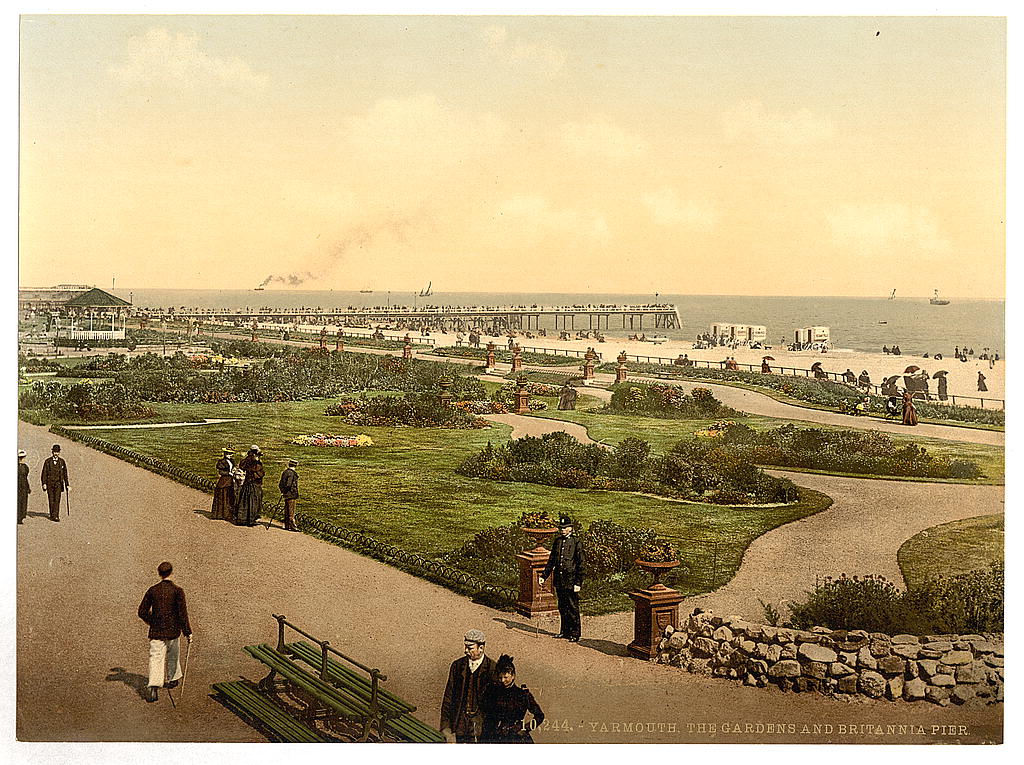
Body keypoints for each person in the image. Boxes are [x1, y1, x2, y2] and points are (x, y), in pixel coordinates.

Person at [137, 561, 192, 703]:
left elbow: (141, 611)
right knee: (173, 655)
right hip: (173, 631)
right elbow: (182, 614)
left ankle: (154, 687)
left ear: (159, 574)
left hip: (156, 632)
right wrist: (188, 632)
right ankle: (172, 679)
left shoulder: (152, 590)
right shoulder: (177, 591)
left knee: (155, 658)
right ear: (171, 573)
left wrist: (152, 621)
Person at [440, 629, 496, 743]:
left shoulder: (493, 669)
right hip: (458, 725)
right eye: (465, 647)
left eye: (470, 648)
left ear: (481, 648)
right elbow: (448, 698)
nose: (465, 651)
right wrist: (446, 728)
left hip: (481, 729)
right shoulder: (457, 666)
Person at [480, 654, 545, 743]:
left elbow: (540, 716)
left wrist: (525, 729)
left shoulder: (522, 694)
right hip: (492, 737)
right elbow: (482, 711)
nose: (502, 681)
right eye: (500, 677)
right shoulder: (491, 691)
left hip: (515, 739)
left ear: (513, 675)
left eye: (506, 677)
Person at [539, 515, 583, 642]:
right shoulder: (558, 542)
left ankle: (575, 633)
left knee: (572, 607)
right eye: (561, 528)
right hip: (559, 580)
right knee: (562, 606)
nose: (562, 530)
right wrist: (544, 576)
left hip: (571, 581)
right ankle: (564, 631)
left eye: (565, 528)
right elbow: (551, 560)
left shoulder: (576, 542)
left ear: (570, 528)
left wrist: (578, 582)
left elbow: (581, 564)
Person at [235, 445, 265, 526]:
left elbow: (243, 466)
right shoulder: (255, 463)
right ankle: (251, 519)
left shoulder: (247, 460)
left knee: (245, 500)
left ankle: (243, 519)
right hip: (253, 484)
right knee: (253, 501)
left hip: (247, 483)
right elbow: (259, 473)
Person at [40, 444, 69, 522]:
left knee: (57, 499)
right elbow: (44, 473)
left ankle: (55, 515)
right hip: (50, 483)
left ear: (59, 453)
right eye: (54, 452)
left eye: (57, 452)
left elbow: (65, 474)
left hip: (58, 483)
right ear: (52, 452)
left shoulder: (62, 462)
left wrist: (67, 485)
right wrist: (44, 483)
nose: (56, 454)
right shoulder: (47, 461)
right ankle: (52, 513)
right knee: (51, 499)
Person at [212, 448, 236, 521]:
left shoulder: (232, 461)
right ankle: (220, 514)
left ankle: (228, 514)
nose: (229, 455)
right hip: (224, 481)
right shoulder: (222, 462)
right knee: (223, 496)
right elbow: (220, 472)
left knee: (229, 497)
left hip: (230, 481)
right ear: (224, 454)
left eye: (230, 454)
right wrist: (228, 473)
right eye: (227, 453)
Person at [278, 459, 299, 532]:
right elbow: (289, 484)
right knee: (291, 511)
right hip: (291, 494)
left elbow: (280, 484)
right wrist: (287, 490)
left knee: (286, 510)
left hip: (286, 494)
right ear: (295, 465)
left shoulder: (285, 472)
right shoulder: (292, 473)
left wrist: (283, 491)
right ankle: (293, 527)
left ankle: (287, 525)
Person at [18, 449, 30, 524]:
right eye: (20, 458)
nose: (21, 459)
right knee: (18, 501)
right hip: (17, 485)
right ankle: (18, 517)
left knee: (23, 501)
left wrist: (28, 487)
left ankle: (21, 516)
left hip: (24, 486)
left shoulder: (25, 467)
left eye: (23, 457)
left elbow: (26, 477)